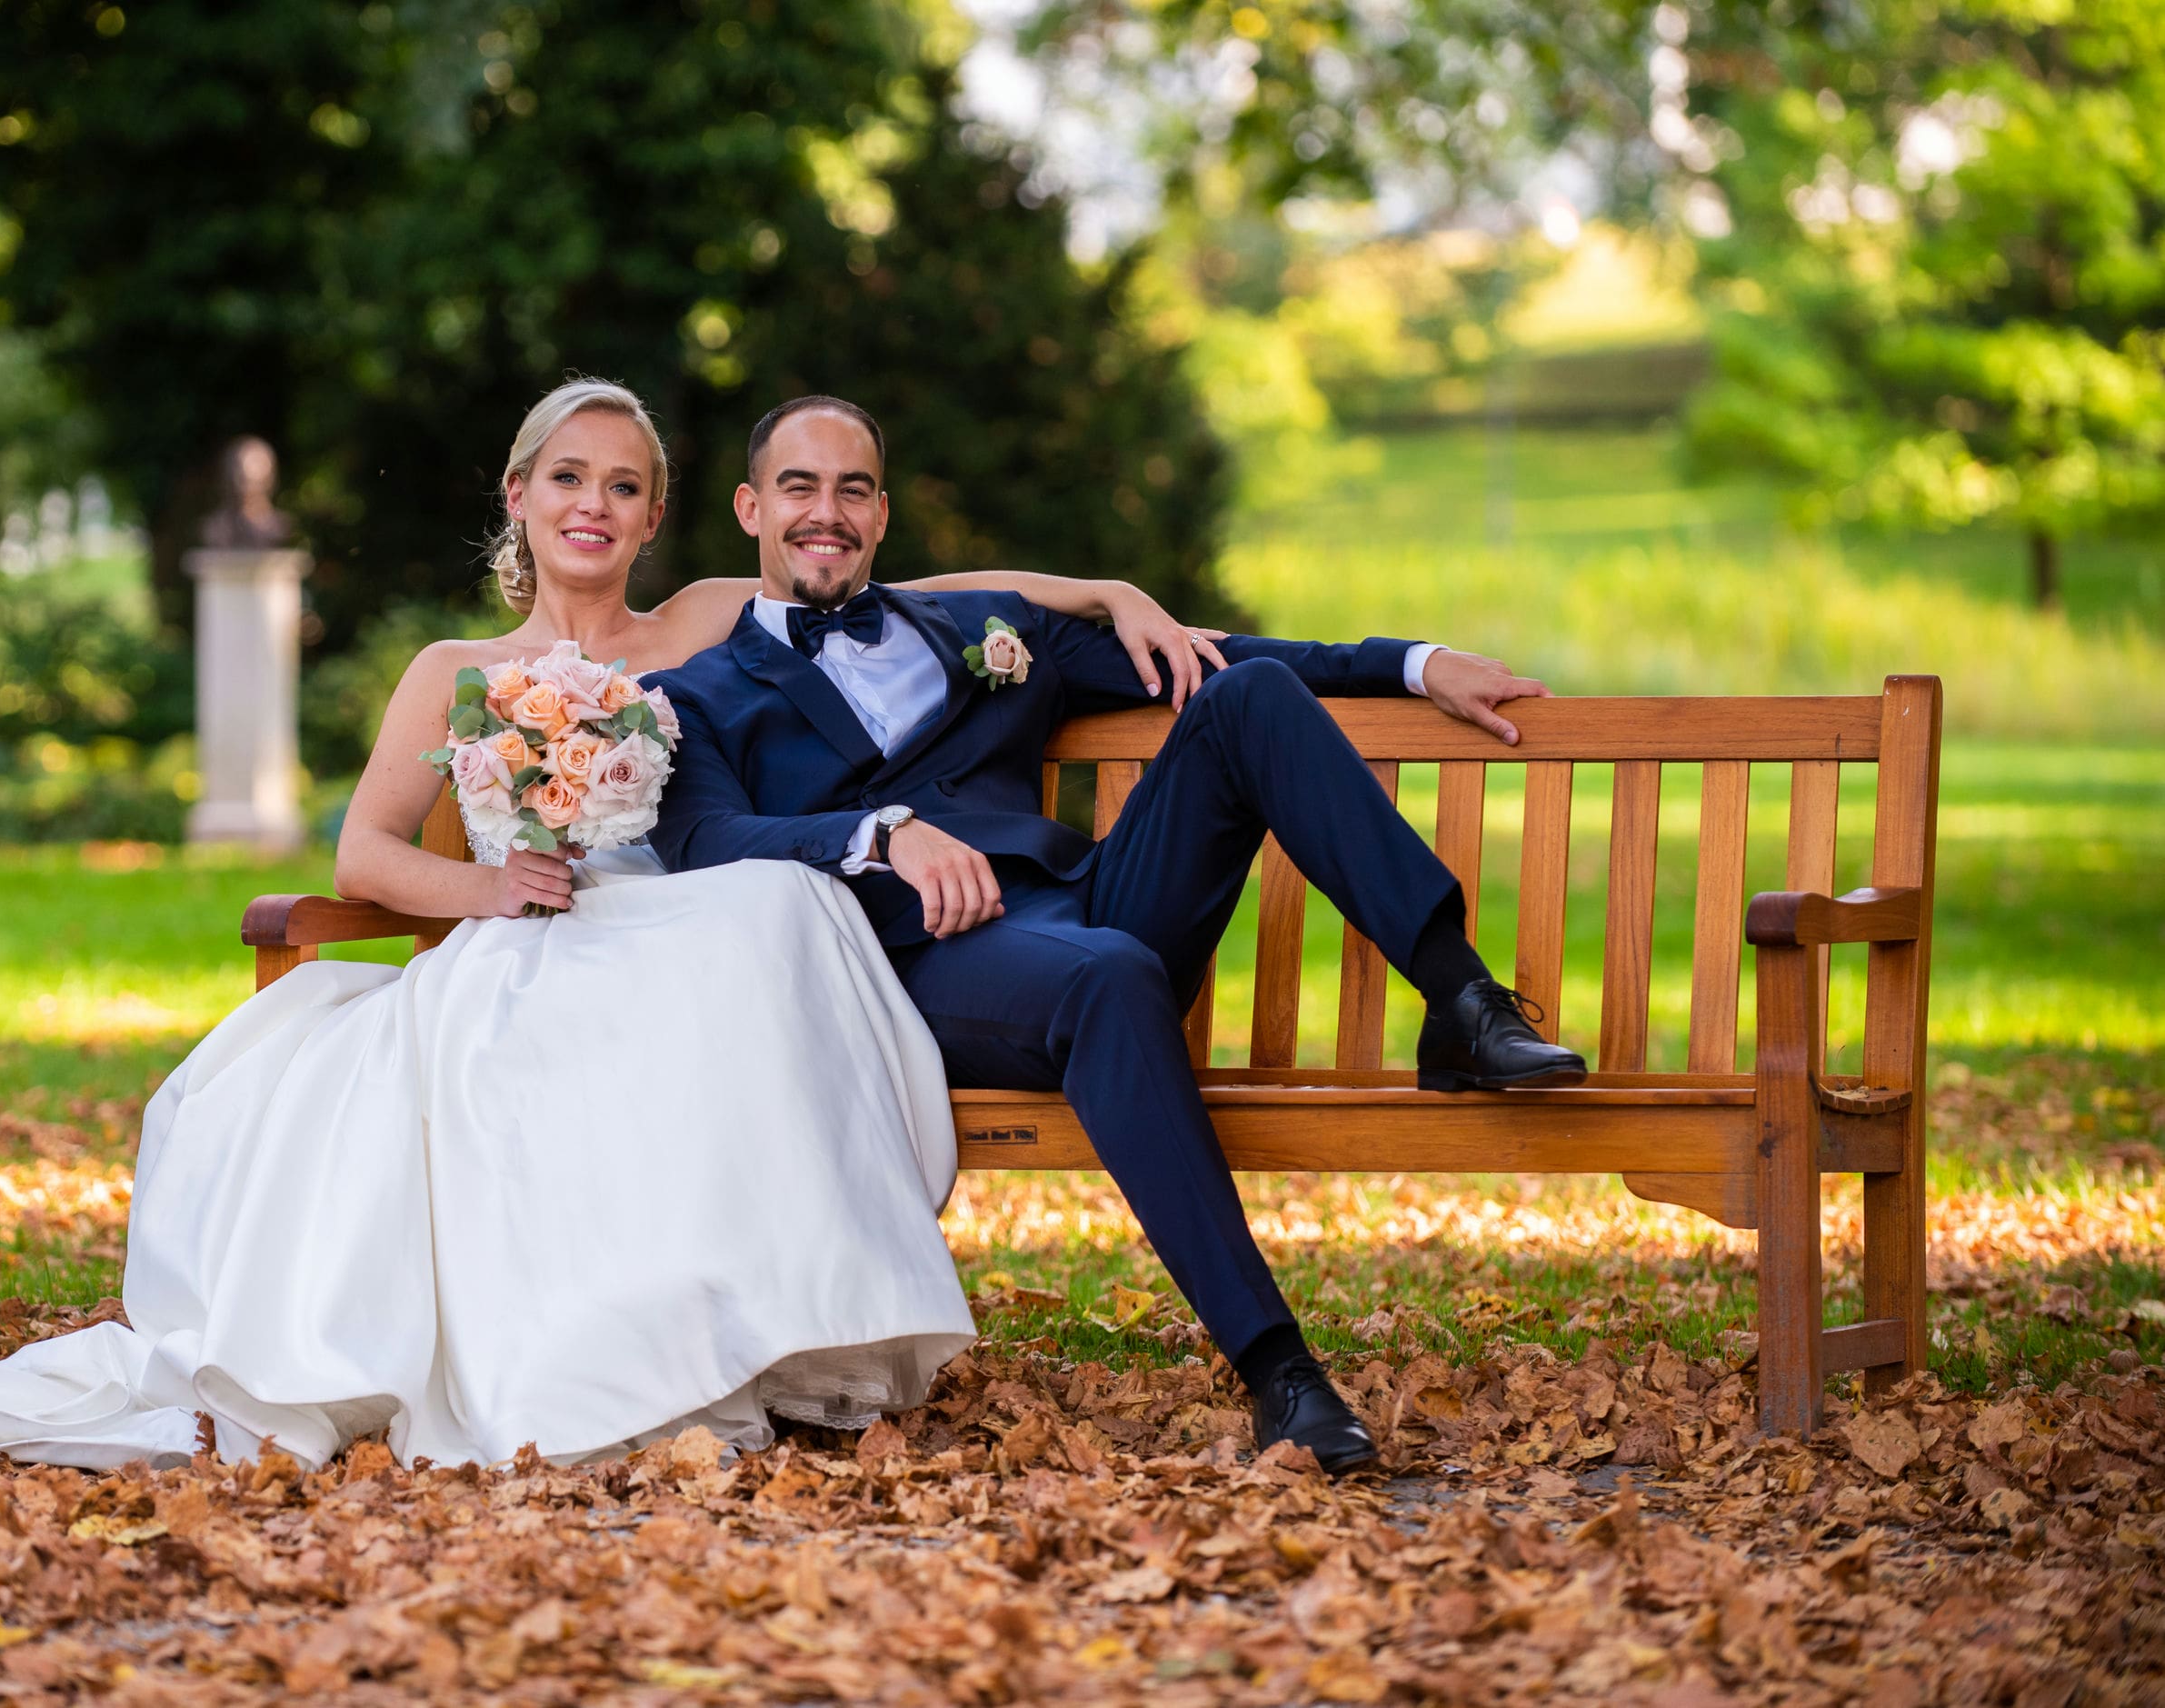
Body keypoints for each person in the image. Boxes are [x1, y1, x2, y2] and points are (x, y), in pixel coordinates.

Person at [0, 379, 1238, 1473]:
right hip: (532, 933)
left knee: (764, 913)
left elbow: (911, 591)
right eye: (568, 478)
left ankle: (746, 1323)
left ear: (655, 515)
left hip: (687, 922)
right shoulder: (456, 665)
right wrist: (490, 887)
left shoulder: (705, 620)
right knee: (600, 1003)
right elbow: (364, 849)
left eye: (623, 486)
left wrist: (1102, 591)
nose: (593, 506)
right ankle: (587, 1354)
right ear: (520, 493)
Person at [646, 395, 1586, 1476]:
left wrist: (1415, 664)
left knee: (1250, 698)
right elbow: (706, 839)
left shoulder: (981, 628)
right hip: (918, 965)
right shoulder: (696, 696)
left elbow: (1212, 656)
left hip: (1083, 903)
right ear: (750, 508)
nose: (828, 512)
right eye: (800, 488)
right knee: (1109, 975)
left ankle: (1461, 1001)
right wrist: (880, 833)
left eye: (852, 489)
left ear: (882, 512)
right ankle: (1281, 1370)